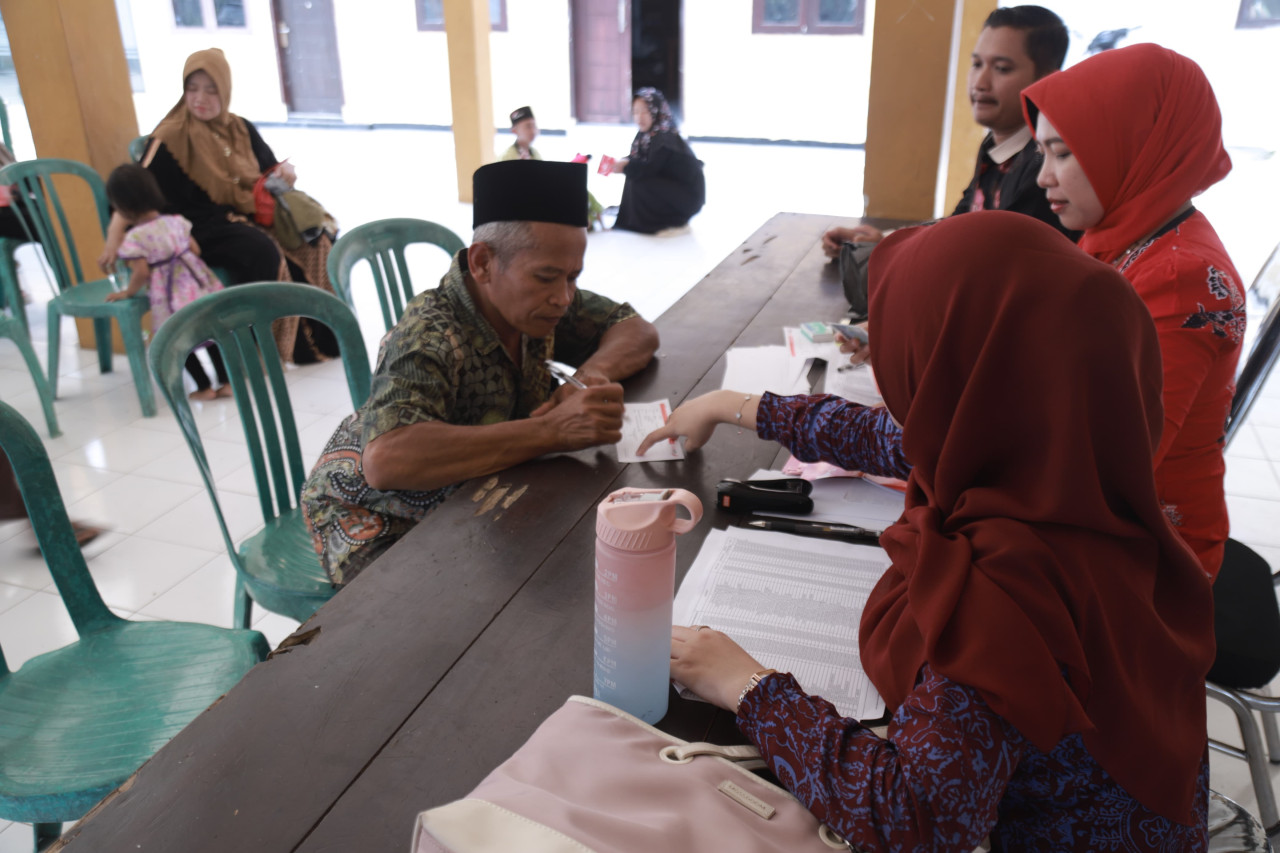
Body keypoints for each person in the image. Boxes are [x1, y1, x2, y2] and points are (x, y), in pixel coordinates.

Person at [669, 212, 1214, 851]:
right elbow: (898, 439)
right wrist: (739, 406)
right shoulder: (1072, 461)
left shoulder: (1009, 597)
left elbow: (917, 819)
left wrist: (746, 686)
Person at [301, 160, 660, 585]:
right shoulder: (429, 332)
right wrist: (553, 431)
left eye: (573, 277)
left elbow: (636, 329)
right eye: (547, 277)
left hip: (473, 486)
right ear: (483, 262)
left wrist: (590, 377)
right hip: (374, 511)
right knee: (444, 623)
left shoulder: (538, 299)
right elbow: (386, 459)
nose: (564, 298)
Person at [1022, 43, 1244, 579]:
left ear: (1135, 147)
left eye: (1063, 153)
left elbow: (1108, 468)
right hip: (1094, 523)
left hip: (1147, 560)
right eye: (1042, 154)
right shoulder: (1124, 240)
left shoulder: (1180, 278)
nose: (1043, 178)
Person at [98, 48, 338, 364]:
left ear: (225, 91)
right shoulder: (170, 136)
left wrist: (286, 172)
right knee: (261, 250)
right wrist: (115, 232)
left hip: (244, 215)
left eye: (212, 90)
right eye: (192, 88)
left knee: (316, 238)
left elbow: (267, 169)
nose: (201, 98)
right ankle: (262, 349)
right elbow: (133, 191)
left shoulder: (239, 128)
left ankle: (329, 335)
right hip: (195, 227)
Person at [820, 6, 1077, 259]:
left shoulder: (1044, 168)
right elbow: (959, 223)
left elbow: (994, 256)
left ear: (1047, 79)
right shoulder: (995, 145)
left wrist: (887, 250)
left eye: (1002, 68)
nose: (980, 83)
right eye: (976, 64)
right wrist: (884, 240)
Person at [103, 164, 227, 400]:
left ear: (122, 207)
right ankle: (226, 381)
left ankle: (203, 387)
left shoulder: (135, 237)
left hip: (170, 296)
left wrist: (128, 292)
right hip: (198, 285)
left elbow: (141, 273)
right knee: (209, 335)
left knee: (179, 338)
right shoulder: (176, 221)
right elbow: (195, 249)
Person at [608, 88, 705, 235]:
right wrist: (625, 161)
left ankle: (652, 222)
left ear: (656, 111)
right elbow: (637, 160)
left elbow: (648, 169)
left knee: (638, 179)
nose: (639, 117)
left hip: (688, 197)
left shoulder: (664, 137)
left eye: (645, 111)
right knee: (634, 174)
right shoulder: (646, 135)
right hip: (671, 188)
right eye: (635, 112)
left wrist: (626, 166)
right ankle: (636, 219)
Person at [501, 106, 604, 227]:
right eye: (528, 126)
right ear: (514, 131)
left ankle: (592, 216)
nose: (533, 131)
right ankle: (583, 220)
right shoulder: (509, 156)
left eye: (534, 126)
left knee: (576, 185)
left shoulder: (534, 152)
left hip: (539, 195)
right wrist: (522, 170)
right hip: (525, 204)